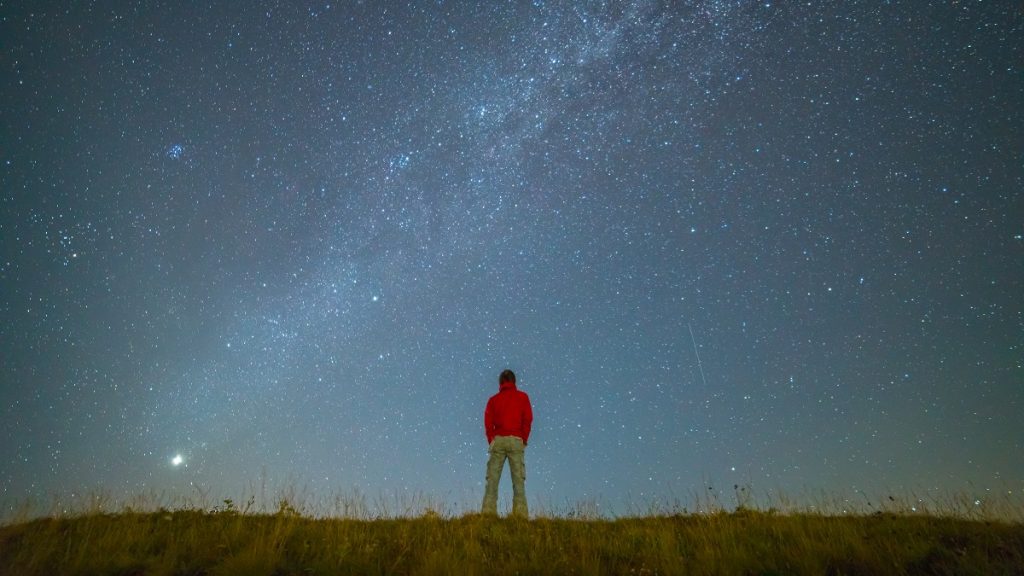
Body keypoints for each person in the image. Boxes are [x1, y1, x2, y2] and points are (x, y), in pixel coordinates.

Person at [481, 369, 533, 518]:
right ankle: (520, 515)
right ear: (514, 381)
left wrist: (491, 439)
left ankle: (488, 514)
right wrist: (523, 438)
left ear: (500, 382)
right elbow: (527, 419)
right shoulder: (523, 397)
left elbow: (488, 421)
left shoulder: (493, 400)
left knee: (492, 480)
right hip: (516, 440)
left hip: (499, 441)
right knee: (518, 481)